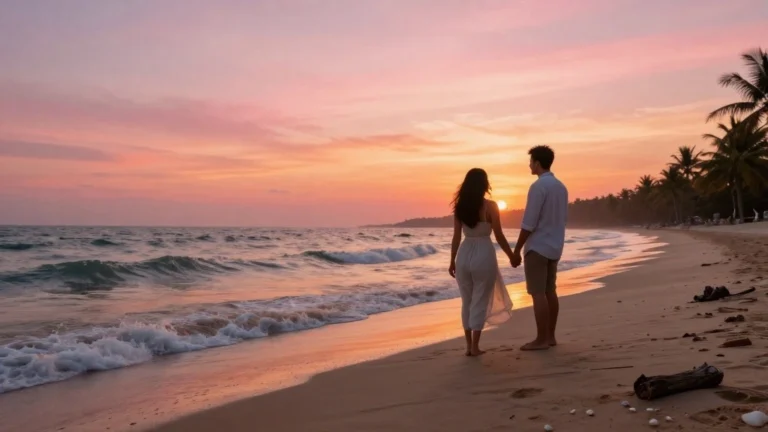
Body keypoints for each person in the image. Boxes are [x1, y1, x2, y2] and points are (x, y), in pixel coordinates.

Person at [449, 168, 514, 356]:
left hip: (464, 253)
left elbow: (455, 237)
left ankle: (468, 346)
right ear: (484, 184)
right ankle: (475, 347)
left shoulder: (460, 207)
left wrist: (452, 260)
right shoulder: (491, 206)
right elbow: (499, 235)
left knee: (466, 301)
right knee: (480, 300)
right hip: (483, 254)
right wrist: (511, 255)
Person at [511, 145, 568, 351]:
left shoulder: (538, 187)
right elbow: (562, 219)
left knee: (538, 293)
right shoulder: (561, 186)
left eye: (531, 161)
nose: (529, 165)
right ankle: (550, 336)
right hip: (555, 245)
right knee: (550, 291)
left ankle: (541, 338)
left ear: (537, 162)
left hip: (538, 247)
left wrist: (517, 249)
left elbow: (529, 222)